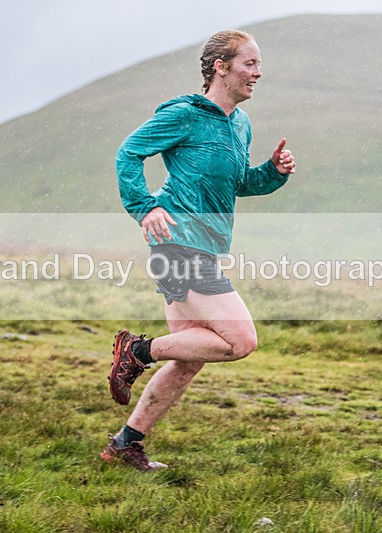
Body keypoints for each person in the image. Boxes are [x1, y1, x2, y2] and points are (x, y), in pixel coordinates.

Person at [101, 29, 296, 471]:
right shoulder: (185, 115)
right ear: (220, 67)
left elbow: (239, 183)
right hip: (176, 244)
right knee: (241, 340)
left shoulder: (240, 124)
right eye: (250, 63)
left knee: (189, 360)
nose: (258, 72)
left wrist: (273, 172)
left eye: (259, 64)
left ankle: (124, 445)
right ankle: (137, 352)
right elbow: (128, 154)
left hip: (205, 249)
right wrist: (144, 207)